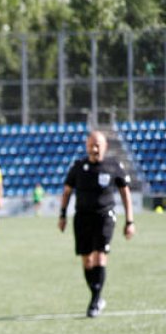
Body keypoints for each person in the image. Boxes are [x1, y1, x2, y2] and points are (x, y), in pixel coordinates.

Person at [58, 130, 135, 318]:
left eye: (98, 145)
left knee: (100, 257)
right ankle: (96, 296)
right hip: (82, 218)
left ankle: (94, 302)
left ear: (105, 146)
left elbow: (125, 193)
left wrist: (130, 221)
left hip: (105, 217)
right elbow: (67, 191)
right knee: (87, 260)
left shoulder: (113, 166)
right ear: (86, 146)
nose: (94, 148)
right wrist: (62, 215)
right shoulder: (78, 167)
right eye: (91, 145)